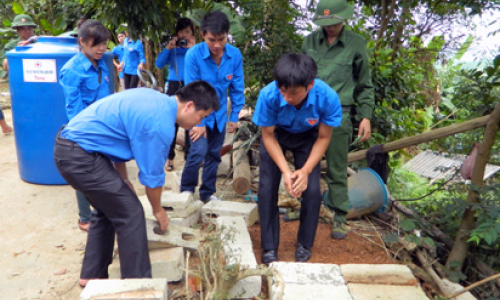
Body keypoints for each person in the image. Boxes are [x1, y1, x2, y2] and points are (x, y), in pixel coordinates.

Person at [54, 82, 219, 287]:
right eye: (201, 116)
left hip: (73, 149)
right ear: (189, 106)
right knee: (131, 213)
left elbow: (115, 140)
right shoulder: (160, 124)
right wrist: (158, 210)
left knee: (107, 208)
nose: (198, 122)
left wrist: (122, 180)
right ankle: (138, 285)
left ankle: (92, 274)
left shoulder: (155, 99)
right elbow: (152, 177)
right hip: (80, 156)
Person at [253, 53, 342, 263]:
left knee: (311, 190)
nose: (287, 98)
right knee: (267, 188)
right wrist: (286, 171)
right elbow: (267, 135)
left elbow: (323, 137)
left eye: (293, 93)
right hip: (276, 136)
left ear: (309, 85)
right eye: (283, 91)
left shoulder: (327, 98)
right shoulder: (268, 95)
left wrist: (305, 171)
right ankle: (269, 247)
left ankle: (304, 244)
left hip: (308, 137)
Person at [302, 0, 375, 240]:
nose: (330, 27)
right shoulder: (310, 42)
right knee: (304, 162)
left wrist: (365, 117)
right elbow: (298, 77)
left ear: (343, 18)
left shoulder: (356, 44)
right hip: (308, 111)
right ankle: (302, 207)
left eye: (333, 22)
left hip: (339, 114)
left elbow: (365, 84)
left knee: (336, 166)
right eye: (325, 23)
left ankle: (340, 216)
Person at [180, 11, 244, 202]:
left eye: (221, 39)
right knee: (197, 151)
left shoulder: (234, 55)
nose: (217, 45)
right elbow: (192, 90)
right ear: (202, 35)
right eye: (211, 40)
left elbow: (237, 88)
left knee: (215, 155)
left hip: (220, 116)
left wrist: (233, 118)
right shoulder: (193, 55)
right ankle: (188, 191)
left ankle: (207, 193)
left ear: (227, 35)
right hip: (197, 115)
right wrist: (198, 122)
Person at [59, 20, 112, 232]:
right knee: (84, 173)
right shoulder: (72, 70)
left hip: (104, 127)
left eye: (104, 43)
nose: (101, 48)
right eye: (96, 44)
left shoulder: (102, 64)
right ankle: (85, 218)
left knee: (103, 171)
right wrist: (88, 135)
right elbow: (73, 109)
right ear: (81, 42)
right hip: (84, 130)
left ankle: (104, 211)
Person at [155, 18, 196, 171]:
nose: (184, 35)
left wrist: (194, 48)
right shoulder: (172, 47)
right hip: (173, 86)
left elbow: (203, 65)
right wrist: (168, 48)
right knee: (171, 123)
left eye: (187, 32)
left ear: (192, 33)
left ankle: (189, 158)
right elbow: (159, 64)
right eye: (181, 32)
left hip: (191, 85)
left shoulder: (196, 49)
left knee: (190, 123)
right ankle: (169, 157)